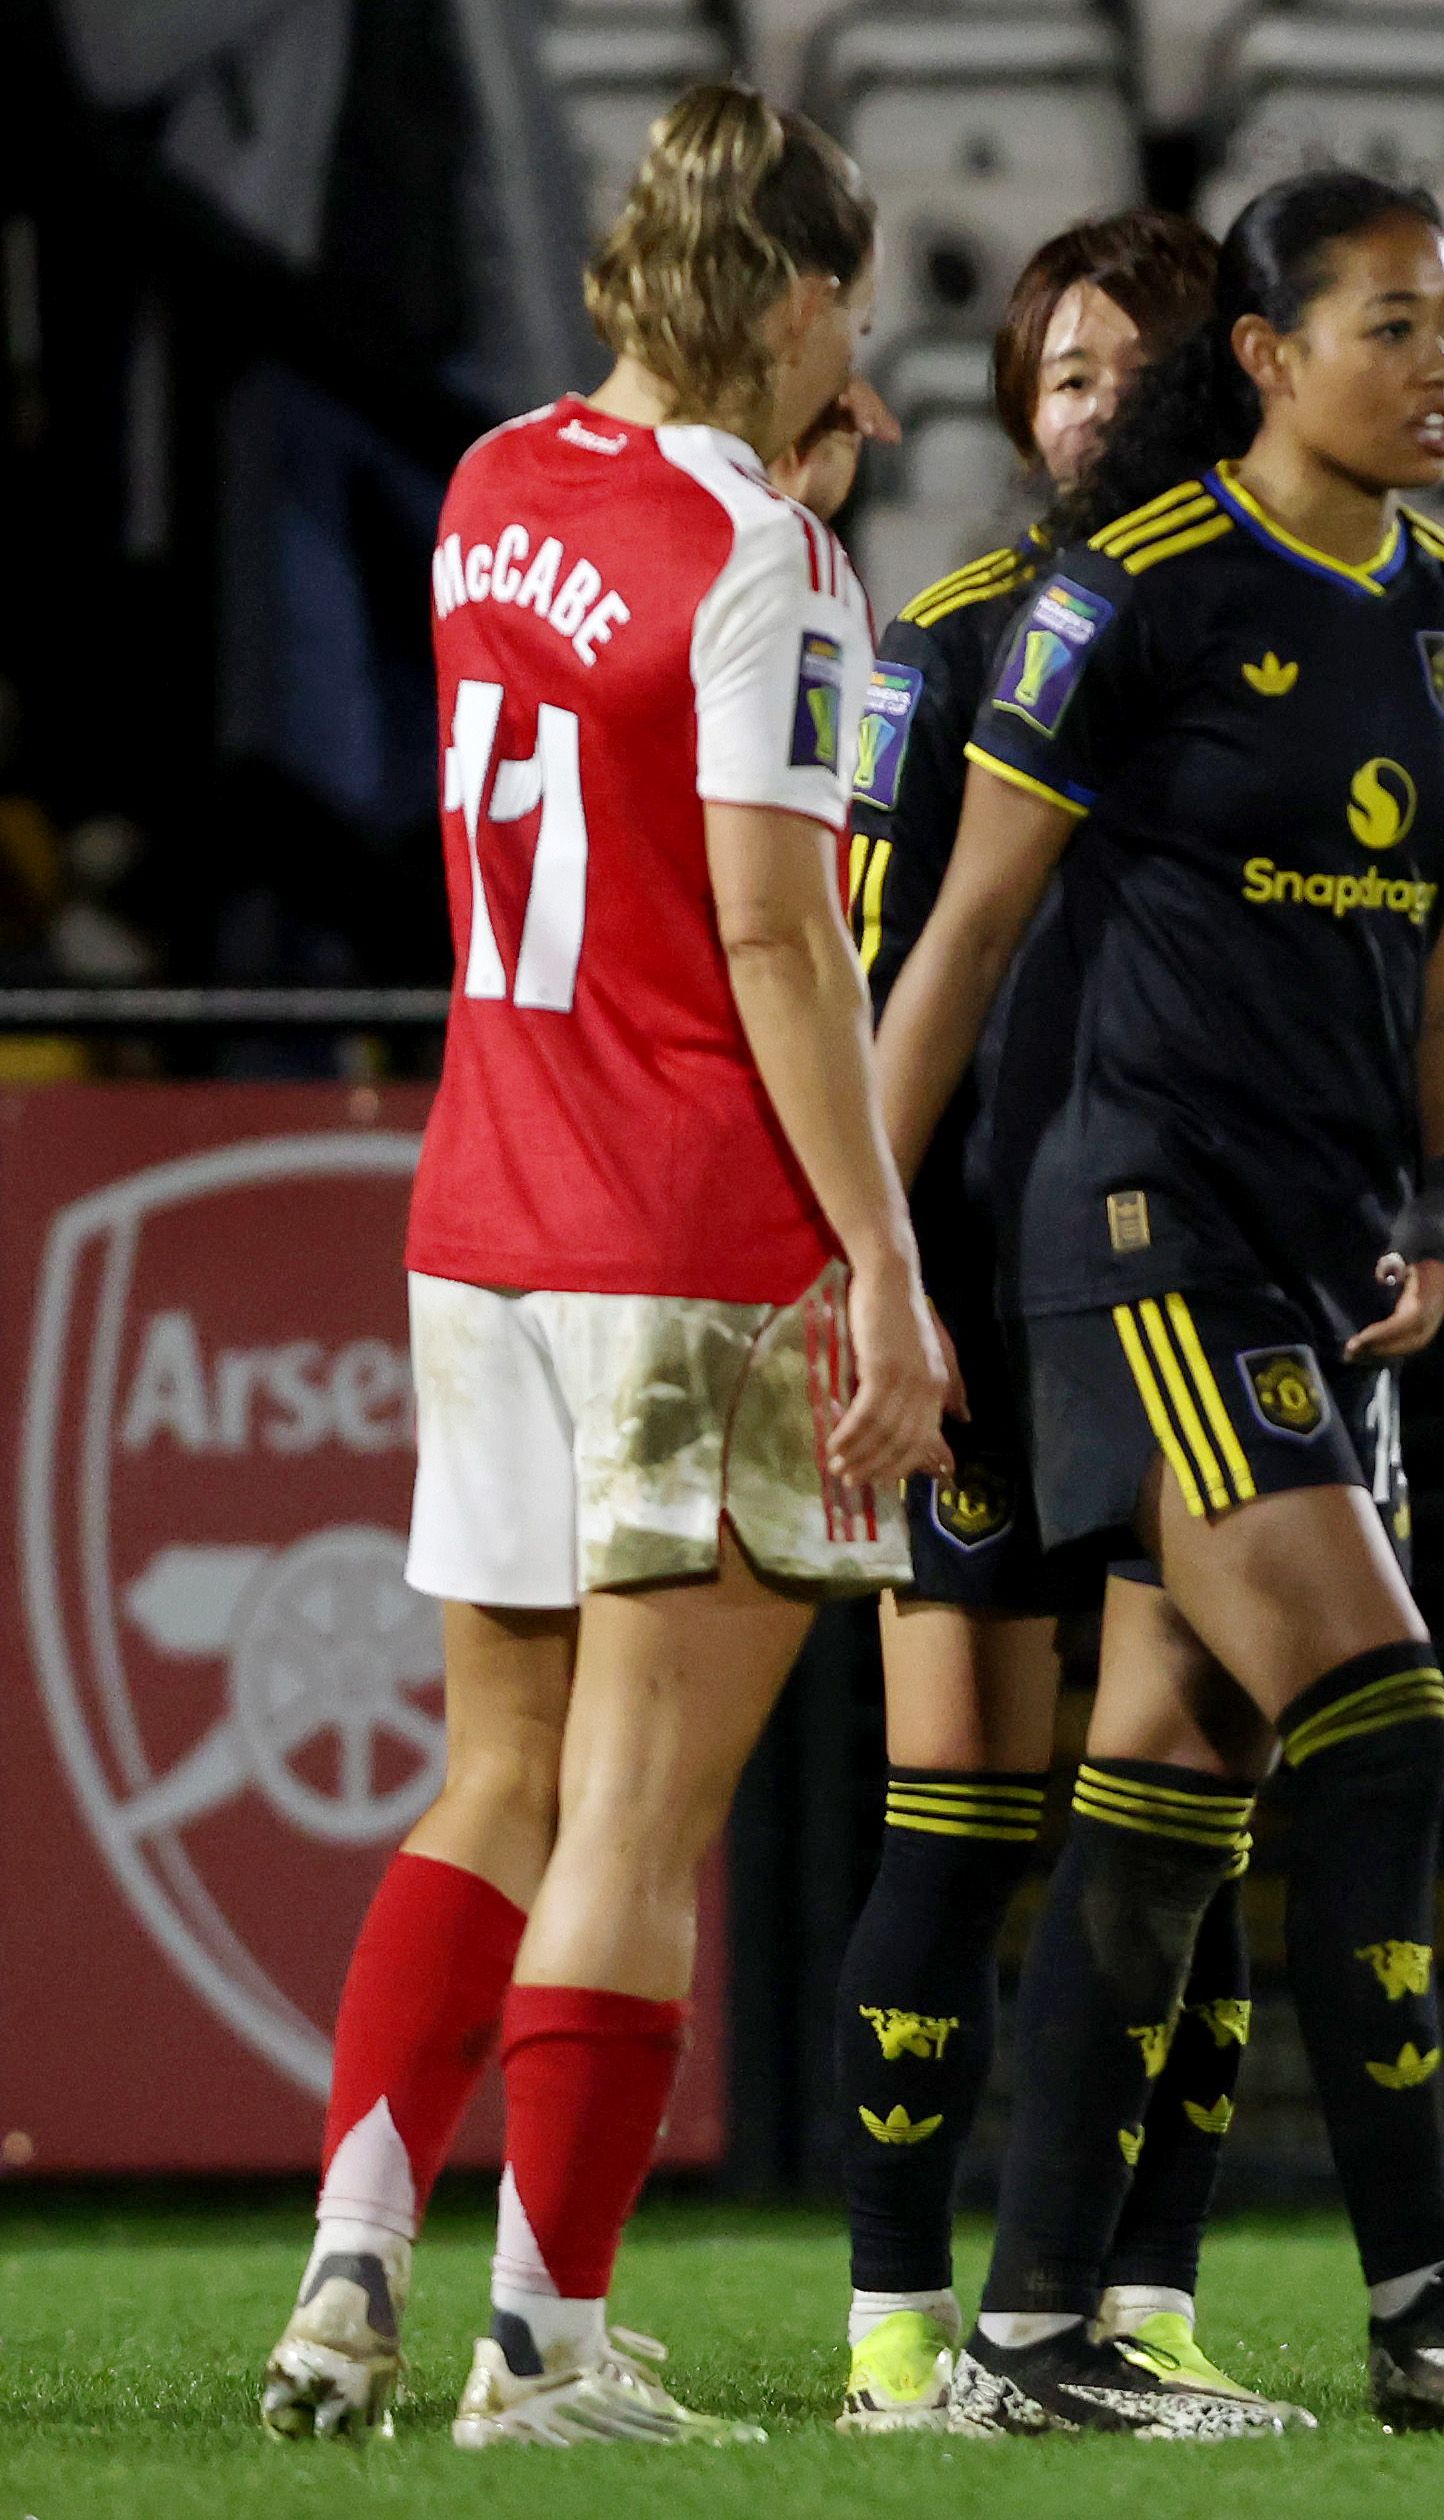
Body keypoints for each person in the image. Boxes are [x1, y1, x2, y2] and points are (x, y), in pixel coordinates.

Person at [870, 167, 1444, 2436]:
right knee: (1379, 1702)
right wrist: (867, 1266)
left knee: (1174, 1769)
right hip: (1130, 1232)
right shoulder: (1132, 594)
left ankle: (1025, 2337)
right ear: (1269, 359)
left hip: (1309, 1251)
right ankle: (1423, 2300)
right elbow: (963, 938)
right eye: (1391, 324)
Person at [259, 83, 951, 2447]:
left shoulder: (489, 488)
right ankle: (538, 2347)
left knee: (493, 1781)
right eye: (843, 297)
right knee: (639, 1817)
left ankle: (356, 2256)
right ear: (784, 298)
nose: (856, 342)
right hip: (689, 1232)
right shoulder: (765, 552)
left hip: (481, 1215)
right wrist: (887, 1259)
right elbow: (775, 934)